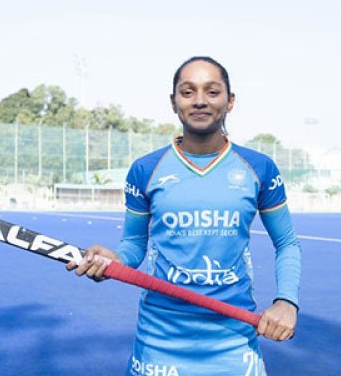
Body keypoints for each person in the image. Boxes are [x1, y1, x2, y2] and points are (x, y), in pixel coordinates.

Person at [67, 56, 302, 376]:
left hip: (232, 337)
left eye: (212, 91)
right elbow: (134, 244)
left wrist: (286, 301)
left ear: (230, 101)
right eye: (188, 92)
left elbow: (287, 243)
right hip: (160, 338)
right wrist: (116, 260)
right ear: (173, 102)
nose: (200, 101)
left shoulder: (259, 168)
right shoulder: (146, 169)